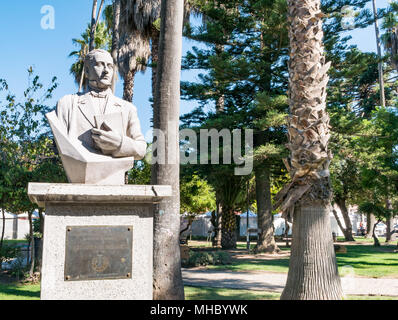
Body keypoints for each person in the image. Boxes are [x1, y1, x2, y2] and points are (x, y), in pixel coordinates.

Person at [55, 49, 146, 159]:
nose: (106, 70)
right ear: (87, 71)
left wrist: (120, 143)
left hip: (114, 173)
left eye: (110, 66)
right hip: (78, 173)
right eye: (100, 65)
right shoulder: (67, 104)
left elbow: (141, 149)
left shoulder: (127, 109)